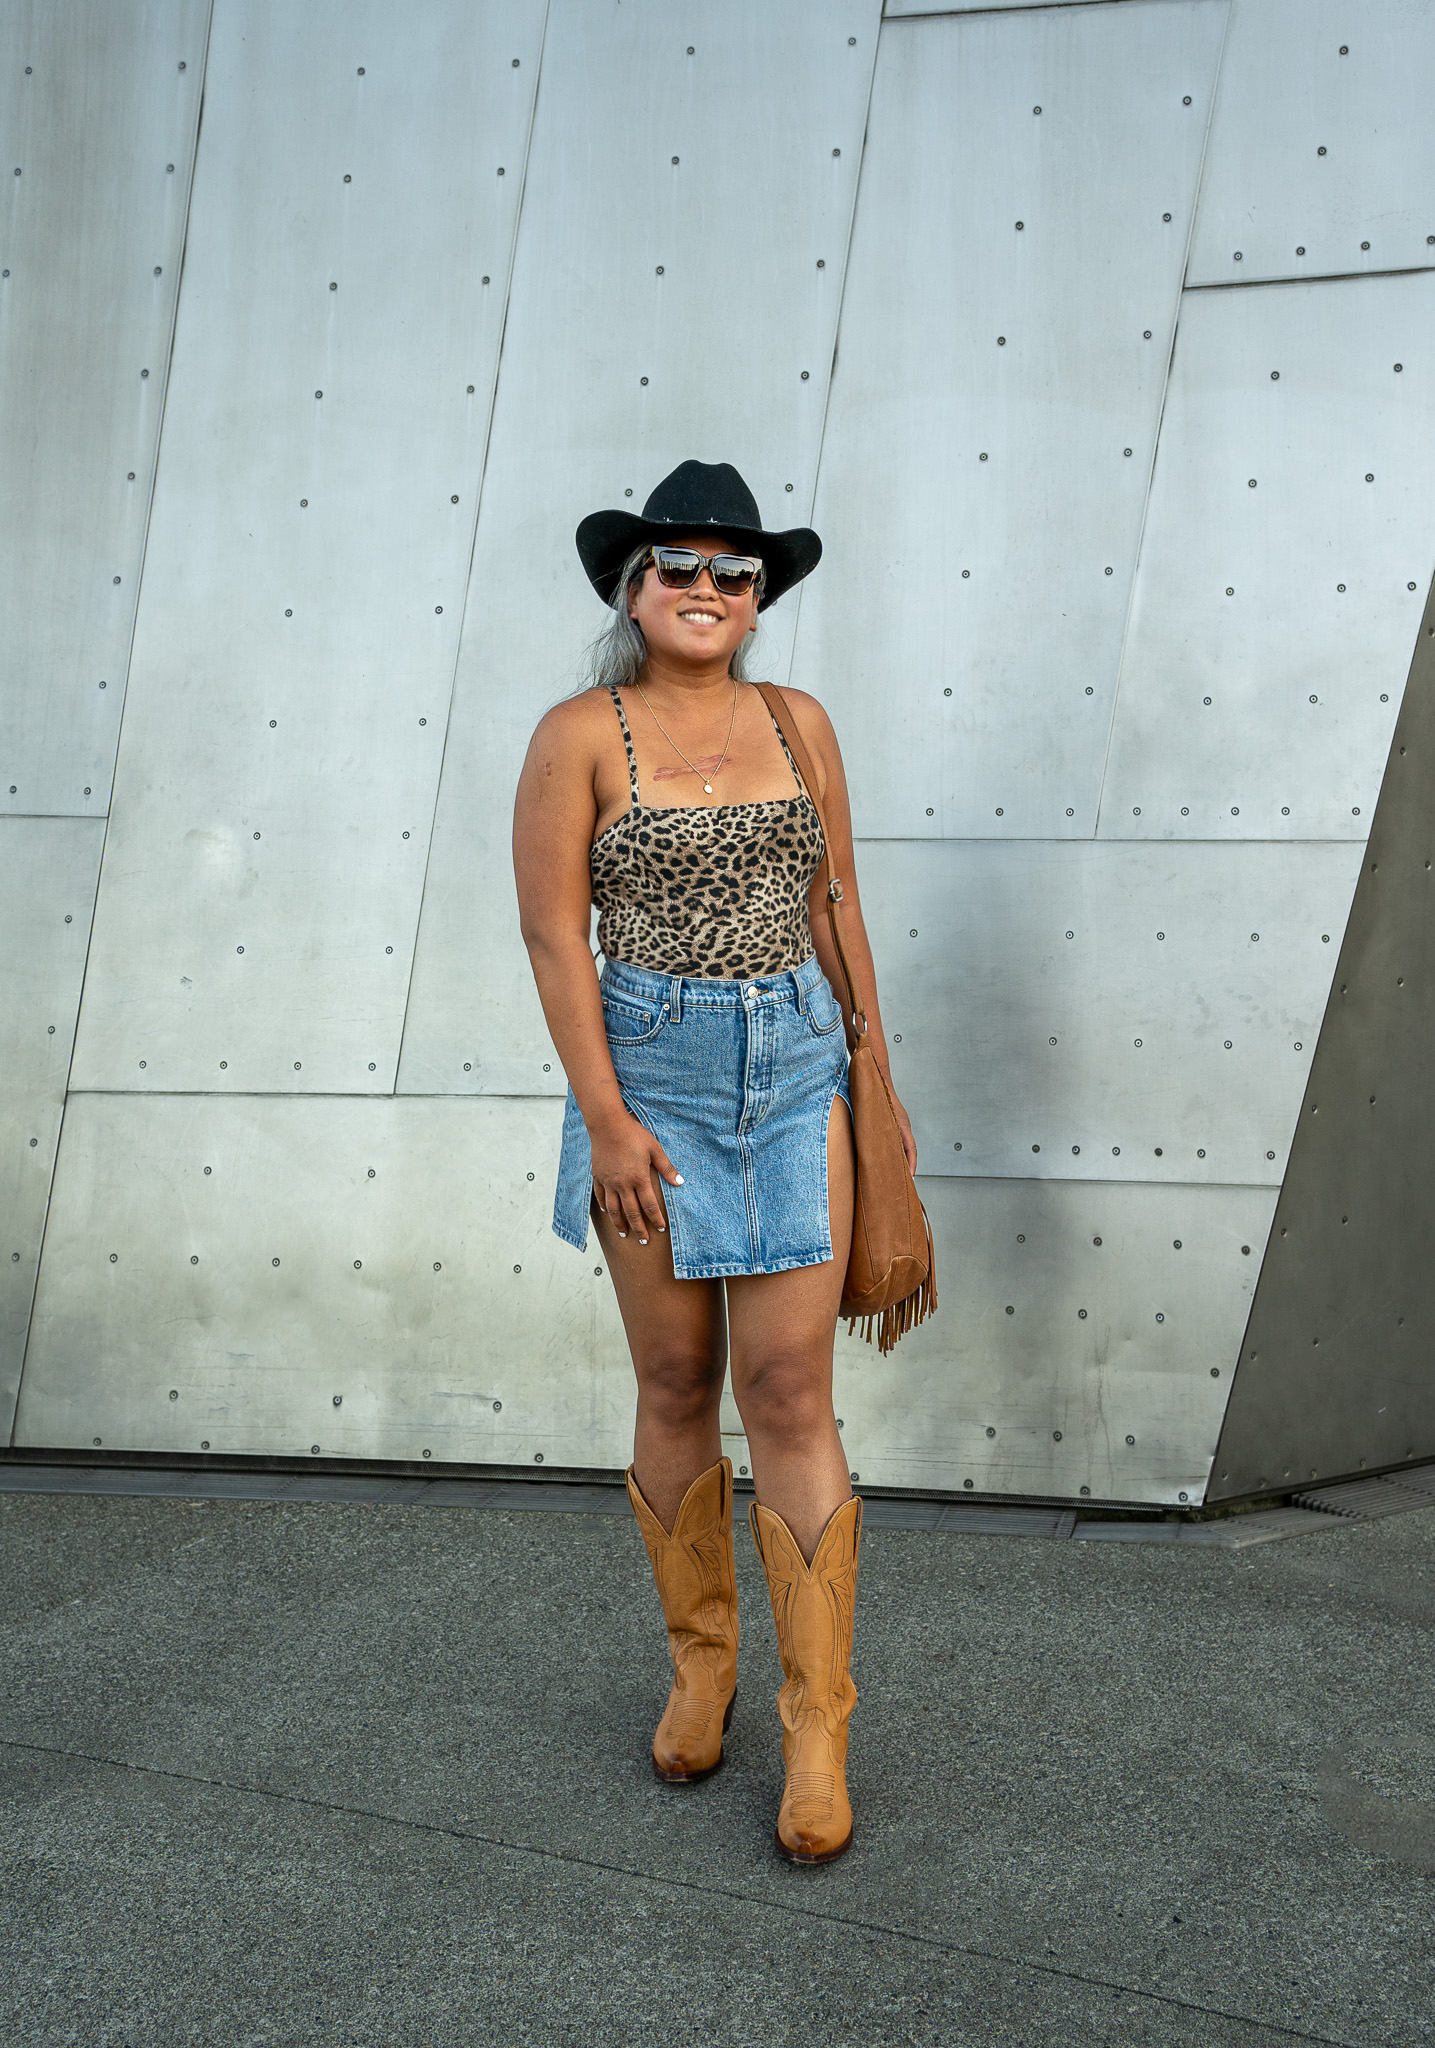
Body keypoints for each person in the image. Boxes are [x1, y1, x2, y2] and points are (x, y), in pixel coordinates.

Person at [512, 460, 917, 1863]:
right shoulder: (579, 733)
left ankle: (819, 1725)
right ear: (633, 592)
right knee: (677, 1377)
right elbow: (556, 938)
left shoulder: (800, 723)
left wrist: (877, 1089)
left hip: (800, 1067)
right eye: (675, 566)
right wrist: (608, 1118)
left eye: (731, 572)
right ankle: (703, 1665)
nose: (703, 588)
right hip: (652, 1079)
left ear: (759, 600)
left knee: (790, 1386)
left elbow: (834, 904)